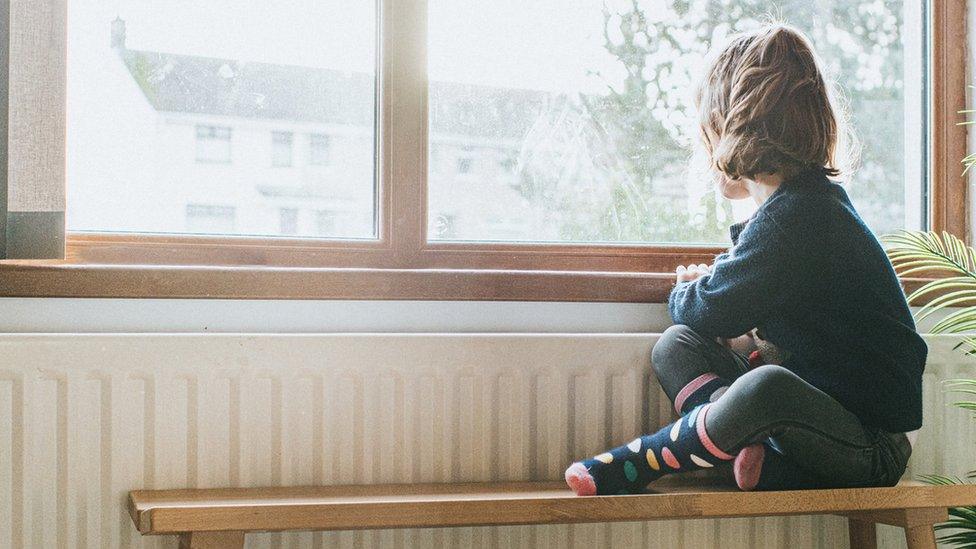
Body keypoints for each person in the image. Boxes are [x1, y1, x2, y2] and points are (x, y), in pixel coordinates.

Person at [565, 23, 925, 496]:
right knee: (677, 346)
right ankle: (747, 453)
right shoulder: (796, 213)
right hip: (804, 432)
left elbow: (711, 307)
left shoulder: (802, 216)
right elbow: (743, 303)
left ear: (733, 131)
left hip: (867, 447)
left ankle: (646, 460)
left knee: (766, 387)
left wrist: (690, 289)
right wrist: (719, 300)